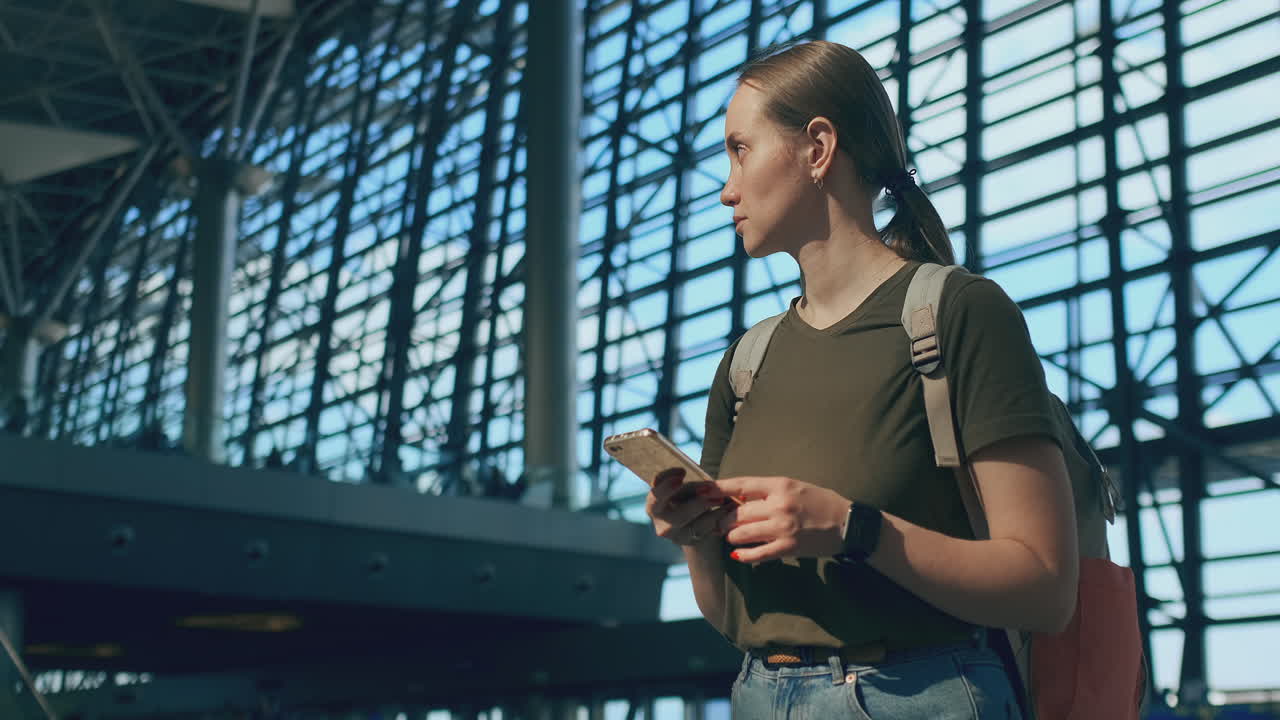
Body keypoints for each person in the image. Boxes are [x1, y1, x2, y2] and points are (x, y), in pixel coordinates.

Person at [644, 40, 1079, 718]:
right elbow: (731, 615)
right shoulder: (746, 364)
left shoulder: (960, 315)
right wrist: (699, 541)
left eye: (740, 150)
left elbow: (1045, 589)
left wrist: (855, 529)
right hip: (761, 695)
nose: (727, 188)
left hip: (921, 698)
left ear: (817, 148)